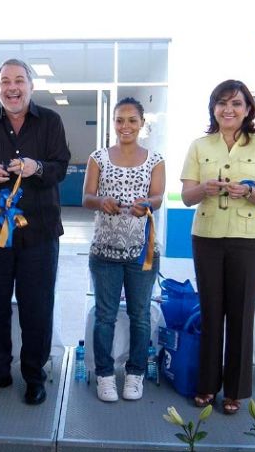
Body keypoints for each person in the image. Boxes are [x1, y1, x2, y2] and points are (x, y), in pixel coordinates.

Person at [0, 59, 70, 405]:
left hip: (39, 233)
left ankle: (34, 376)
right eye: (5, 82)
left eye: (19, 81)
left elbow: (60, 165)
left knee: (37, 308)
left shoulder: (51, 122)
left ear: (30, 86)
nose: (12, 88)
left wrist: (35, 167)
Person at [180, 80, 255, 415]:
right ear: (213, 108)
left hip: (248, 240)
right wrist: (205, 189)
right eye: (222, 103)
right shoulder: (199, 145)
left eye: (236, 103)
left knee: (241, 315)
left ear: (248, 109)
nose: (229, 109)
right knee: (211, 312)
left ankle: (236, 390)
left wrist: (248, 192)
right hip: (206, 236)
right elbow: (186, 197)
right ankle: (207, 385)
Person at [82, 97, 165, 402]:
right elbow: (87, 197)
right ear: (113, 123)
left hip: (142, 254)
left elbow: (157, 197)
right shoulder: (98, 158)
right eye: (120, 120)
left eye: (132, 120)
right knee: (105, 316)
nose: (125, 126)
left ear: (142, 123)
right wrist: (100, 201)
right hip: (104, 252)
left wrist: (148, 205)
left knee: (140, 316)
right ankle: (104, 375)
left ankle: (135, 374)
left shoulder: (155, 159)